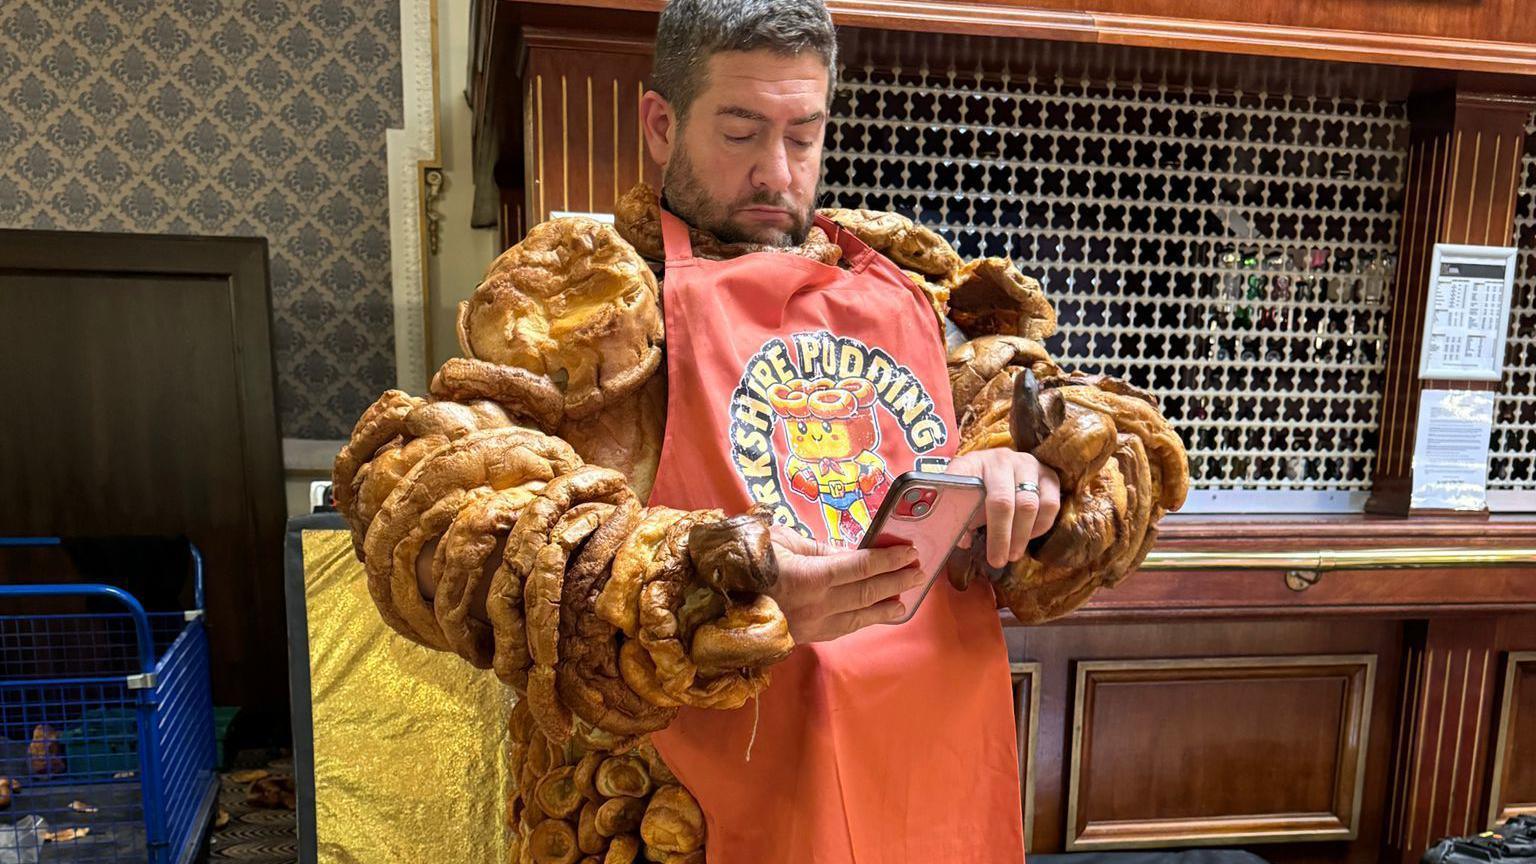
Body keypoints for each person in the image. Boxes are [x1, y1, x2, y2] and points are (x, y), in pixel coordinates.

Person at [634, 0, 1059, 859]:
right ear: (660, 124)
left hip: (931, 758)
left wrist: (1028, 472)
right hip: (719, 779)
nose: (776, 174)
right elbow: (522, 534)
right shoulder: (609, 315)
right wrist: (713, 592)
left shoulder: (917, 298)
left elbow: (1062, 415)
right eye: (742, 131)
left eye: (802, 136)